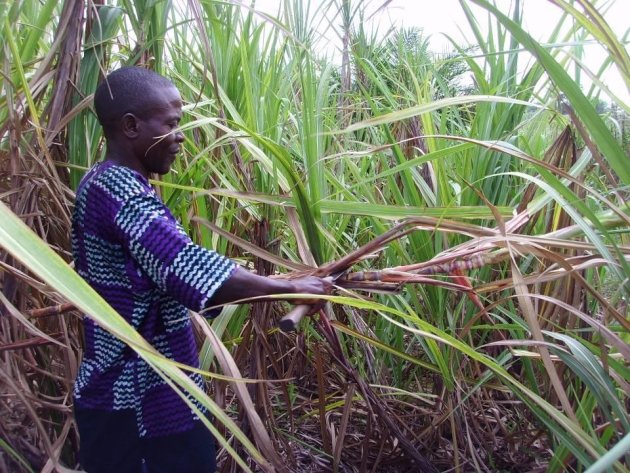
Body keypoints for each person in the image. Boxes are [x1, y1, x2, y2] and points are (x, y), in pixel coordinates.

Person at [71, 66, 331, 473]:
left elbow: (165, 275)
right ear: (131, 126)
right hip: (135, 396)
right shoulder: (115, 189)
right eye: (171, 123)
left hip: (155, 387)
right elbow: (185, 268)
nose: (180, 136)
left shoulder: (116, 185)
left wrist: (281, 283)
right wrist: (286, 288)